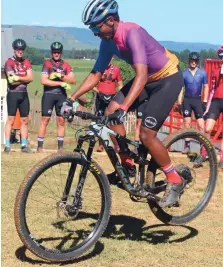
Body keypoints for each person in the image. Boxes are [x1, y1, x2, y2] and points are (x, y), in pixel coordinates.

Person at [61, 0, 186, 208]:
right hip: (147, 79)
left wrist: (124, 107)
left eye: (95, 27)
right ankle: (127, 166)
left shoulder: (131, 33)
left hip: (167, 79)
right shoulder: (107, 42)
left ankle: (175, 180)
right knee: (110, 110)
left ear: (110, 21)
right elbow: (95, 75)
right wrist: (71, 98)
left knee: (146, 134)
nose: (93, 32)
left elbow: (141, 74)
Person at [37, 42, 76, 152]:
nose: (56, 54)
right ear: (51, 52)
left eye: (58, 52)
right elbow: (43, 80)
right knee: (45, 119)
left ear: (61, 53)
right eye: (54, 52)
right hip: (49, 94)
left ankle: (60, 147)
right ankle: (39, 146)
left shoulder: (66, 65)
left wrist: (60, 76)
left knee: (61, 120)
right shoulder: (47, 64)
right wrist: (60, 83)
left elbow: (73, 80)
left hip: (61, 96)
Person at [195, 46, 223, 168]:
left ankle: (222, 158)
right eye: (221, 56)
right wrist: (207, 106)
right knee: (207, 128)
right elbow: (212, 90)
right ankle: (204, 153)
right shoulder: (216, 71)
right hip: (216, 101)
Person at [4, 39, 33, 153]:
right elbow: (12, 81)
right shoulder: (9, 62)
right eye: (18, 49)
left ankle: (24, 145)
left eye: (22, 49)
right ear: (14, 49)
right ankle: (7, 145)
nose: (20, 51)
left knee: (25, 120)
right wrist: (24, 79)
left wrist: (19, 78)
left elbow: (31, 78)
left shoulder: (26, 62)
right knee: (10, 119)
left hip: (23, 94)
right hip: (12, 94)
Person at [178, 52, 209, 154]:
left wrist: (204, 102)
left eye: (195, 61)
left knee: (201, 125)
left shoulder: (202, 73)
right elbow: (181, 88)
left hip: (197, 100)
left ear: (197, 62)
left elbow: (206, 87)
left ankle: (203, 148)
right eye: (192, 61)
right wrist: (179, 103)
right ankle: (187, 146)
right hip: (187, 100)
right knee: (187, 123)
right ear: (189, 61)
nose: (193, 63)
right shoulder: (184, 73)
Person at [93, 60, 123, 152]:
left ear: (112, 59)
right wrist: (99, 92)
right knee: (100, 120)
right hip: (100, 97)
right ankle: (101, 145)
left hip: (112, 97)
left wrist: (119, 96)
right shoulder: (98, 68)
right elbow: (91, 85)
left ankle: (117, 145)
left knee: (113, 121)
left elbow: (120, 84)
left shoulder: (116, 69)